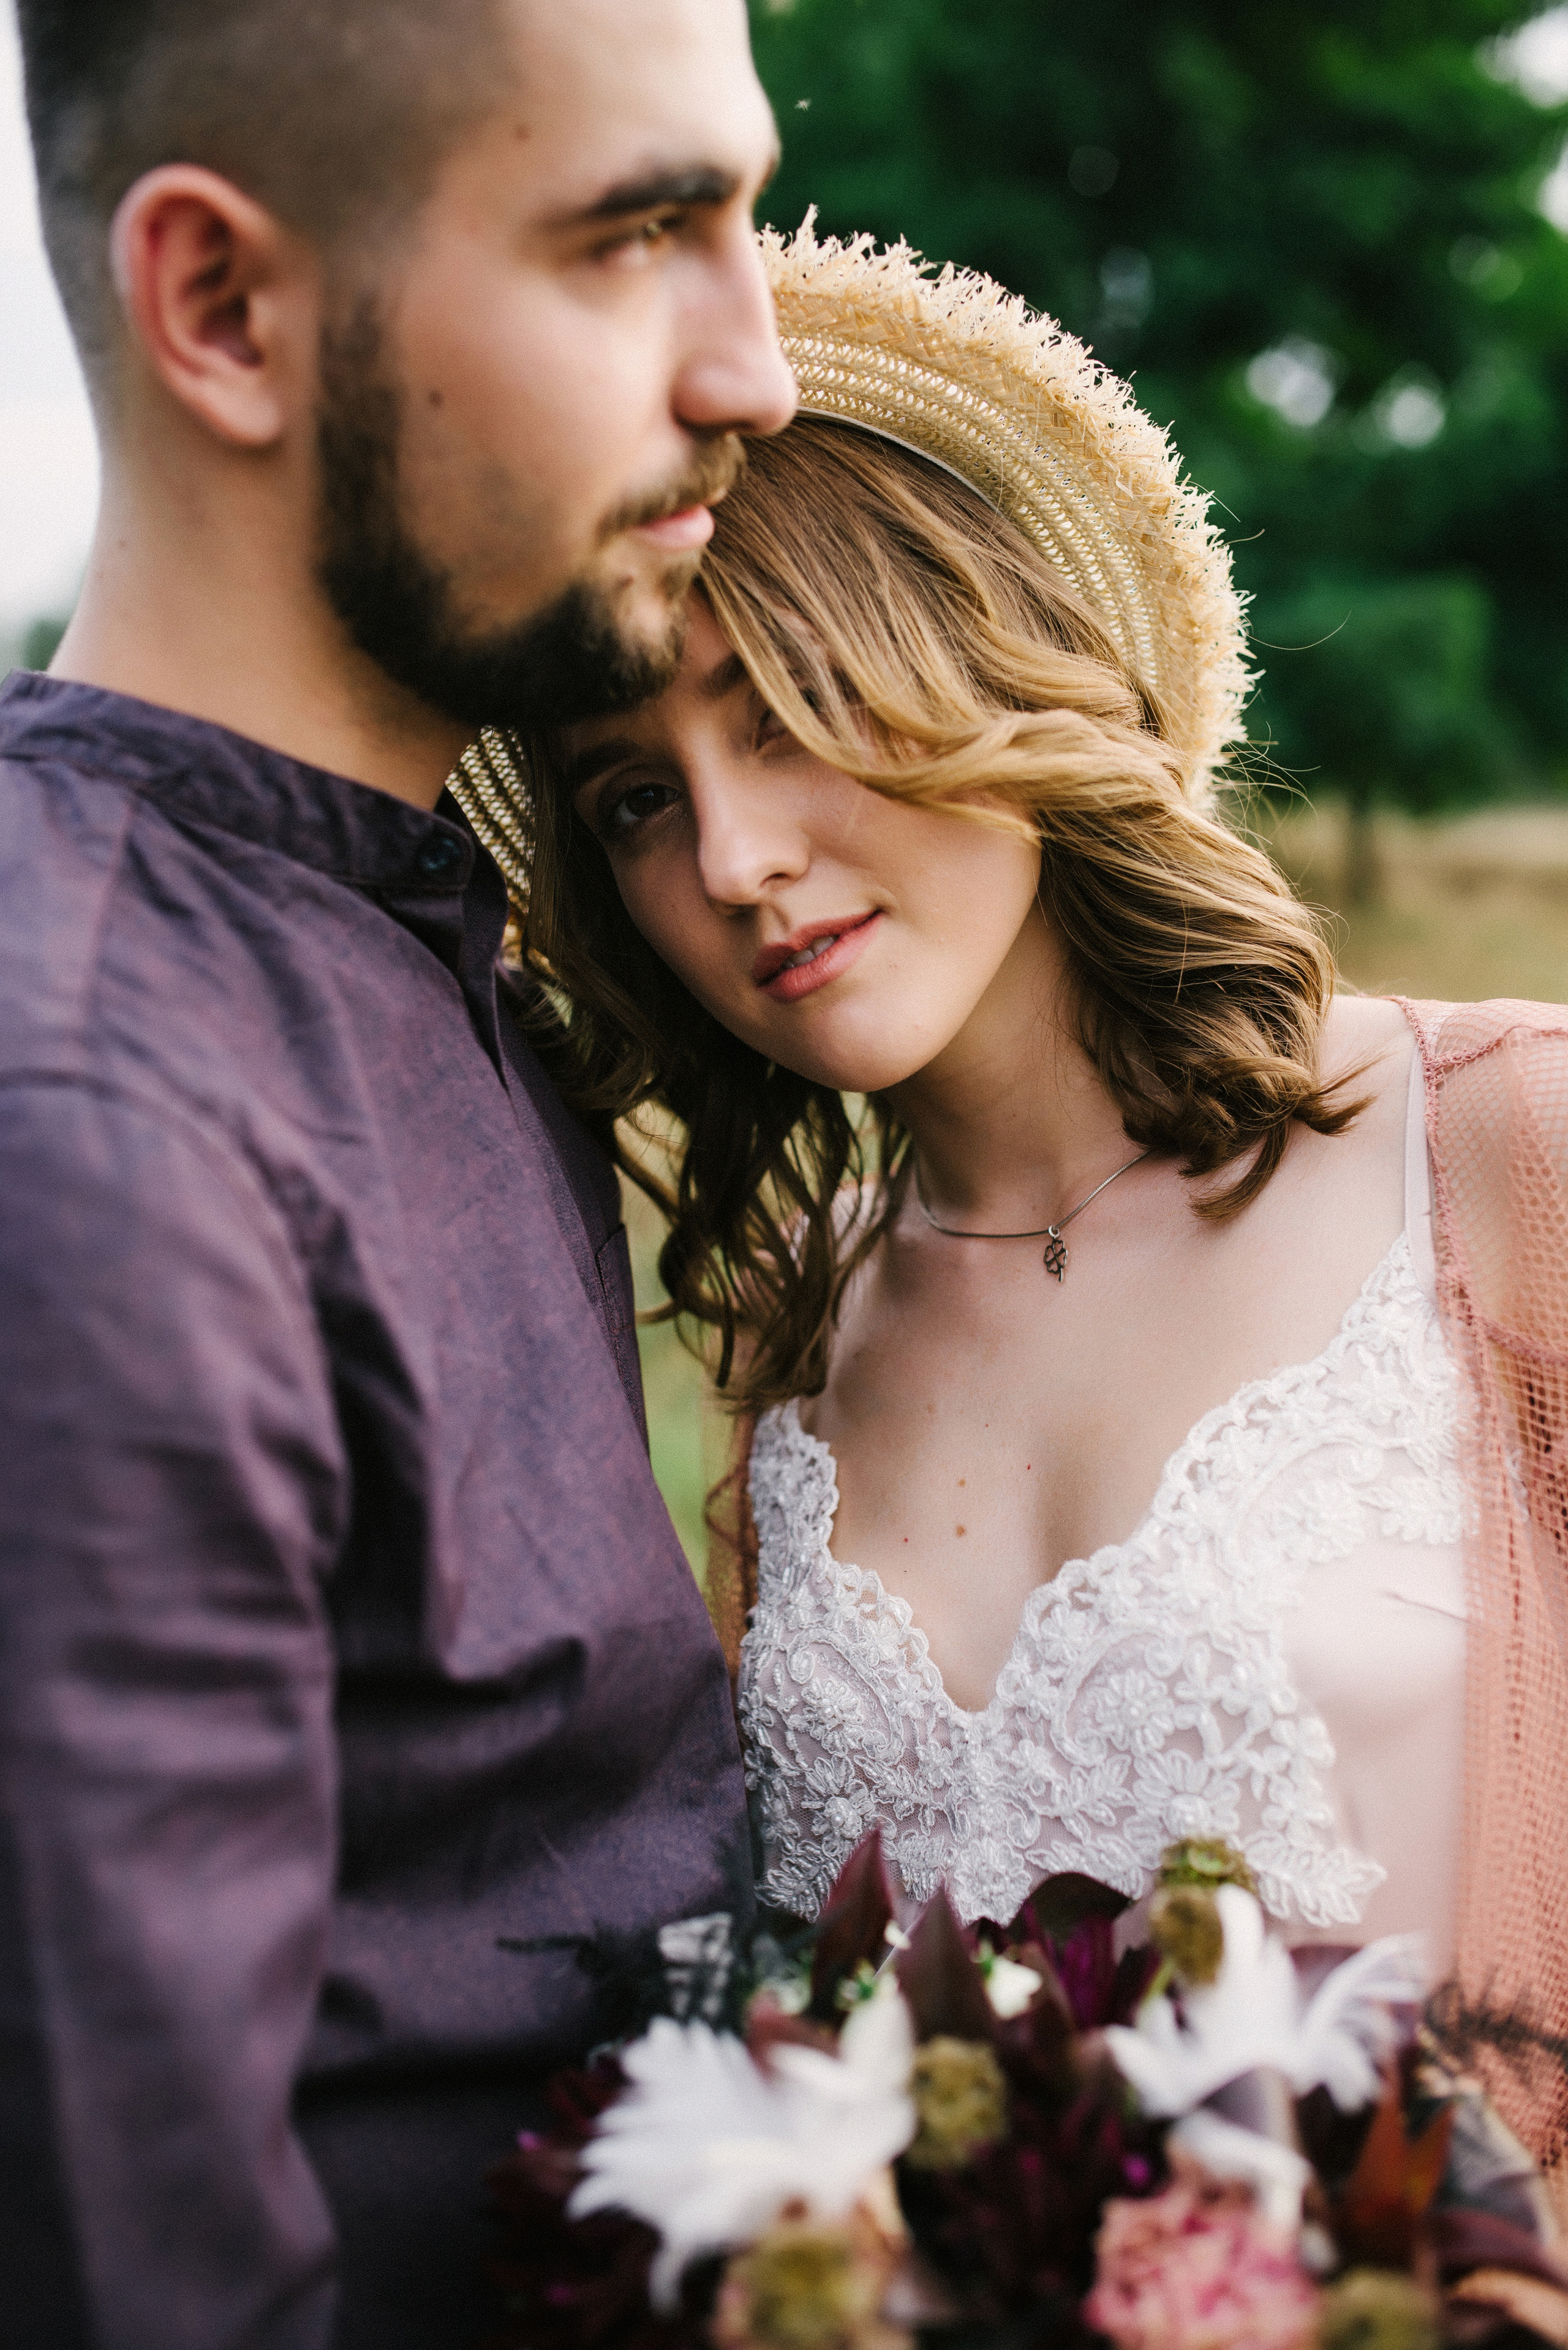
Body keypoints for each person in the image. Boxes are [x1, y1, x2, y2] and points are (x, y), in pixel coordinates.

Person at [461, 222, 1568, 2201]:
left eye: (786, 706)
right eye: (633, 794)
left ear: (983, 654)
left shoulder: (1507, 1143)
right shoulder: (783, 1324)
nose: (731, 855)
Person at [0, 3, 796, 2344]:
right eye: (638, 234)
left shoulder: (404, 911)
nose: (752, 367)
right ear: (225, 313)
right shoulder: (95, 1137)